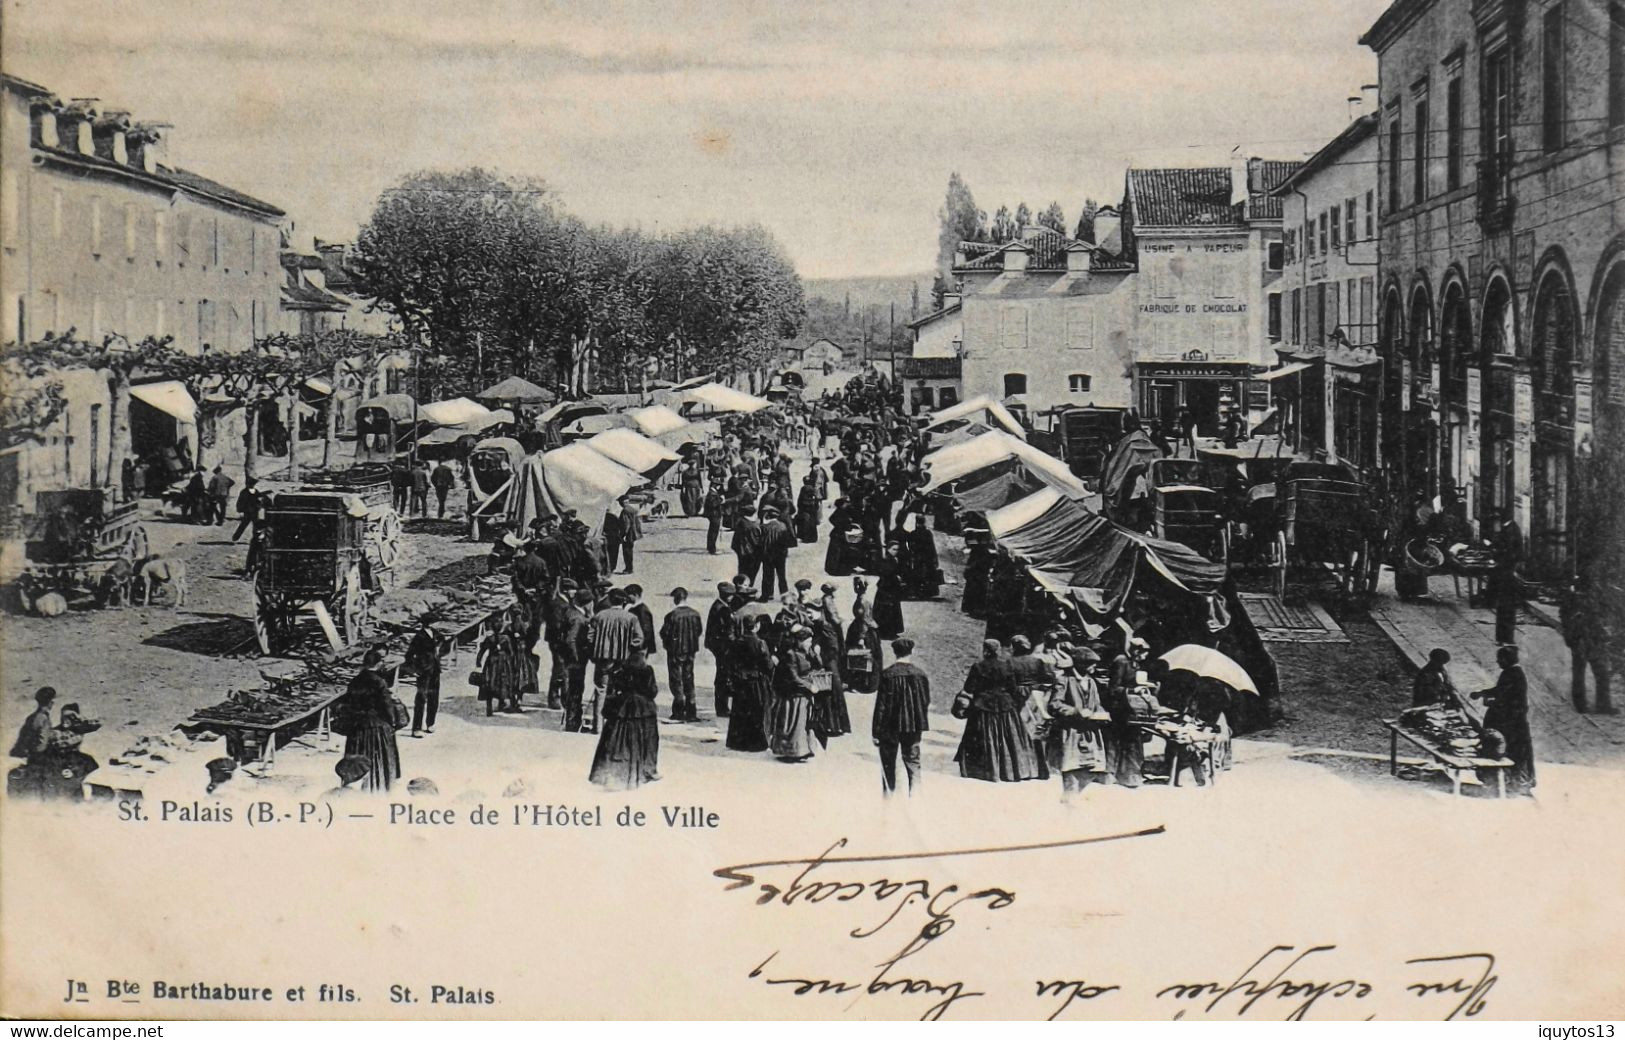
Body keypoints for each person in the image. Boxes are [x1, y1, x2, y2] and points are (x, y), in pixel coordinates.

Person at [952, 639, 1045, 782]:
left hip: (983, 705)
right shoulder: (1007, 665)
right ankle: (1010, 771)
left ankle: (983, 770)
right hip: (1005, 705)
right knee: (1010, 739)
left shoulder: (978, 667)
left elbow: (970, 688)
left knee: (982, 737)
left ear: (986, 650)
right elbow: (1013, 688)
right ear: (998, 650)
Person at [589, 639, 662, 789]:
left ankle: (610, 771)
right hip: (643, 710)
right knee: (650, 737)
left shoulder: (619, 668)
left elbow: (613, 690)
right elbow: (652, 691)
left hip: (622, 707)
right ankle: (648, 768)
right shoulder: (647, 670)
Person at [1046, 645, 1109, 800]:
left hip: (1090, 732)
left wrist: (1101, 713)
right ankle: (1069, 798)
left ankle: (1074, 795)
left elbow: (1096, 703)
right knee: (1071, 767)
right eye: (1091, 663)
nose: (1094, 666)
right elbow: (1054, 705)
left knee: (1091, 768)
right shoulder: (1064, 679)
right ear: (1081, 664)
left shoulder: (1091, 682)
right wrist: (1075, 711)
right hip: (1070, 732)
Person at [1474, 644, 1535, 795]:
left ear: (1506, 659)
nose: (1498, 662)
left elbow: (1504, 696)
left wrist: (1489, 700)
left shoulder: (1512, 673)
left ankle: (1514, 782)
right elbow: (1501, 691)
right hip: (1514, 720)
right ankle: (1516, 781)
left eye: (1500, 659)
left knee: (1512, 750)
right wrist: (1483, 693)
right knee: (1516, 750)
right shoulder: (1512, 672)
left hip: (1512, 721)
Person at [873, 638, 930, 795]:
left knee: (888, 761)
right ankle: (915, 791)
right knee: (913, 759)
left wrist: (876, 732)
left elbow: (881, 706)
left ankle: (889, 793)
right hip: (913, 724)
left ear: (894, 652)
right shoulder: (921, 674)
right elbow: (926, 701)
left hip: (890, 725)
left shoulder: (887, 674)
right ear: (912, 652)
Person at [341, 650, 402, 793]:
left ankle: (357, 787)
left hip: (358, 727)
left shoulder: (354, 681)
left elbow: (348, 705)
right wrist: (392, 722)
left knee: (357, 761)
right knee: (379, 760)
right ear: (379, 663)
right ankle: (379, 787)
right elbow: (386, 706)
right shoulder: (379, 682)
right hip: (377, 728)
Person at [587, 589, 642, 731]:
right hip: (622, 660)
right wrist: (628, 649)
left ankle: (598, 726)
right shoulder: (631, 618)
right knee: (619, 691)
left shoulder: (599, 616)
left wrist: (596, 650)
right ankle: (616, 726)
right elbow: (639, 639)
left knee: (601, 690)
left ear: (610, 600)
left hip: (602, 659)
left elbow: (590, 637)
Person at [1561, 577, 1615, 715]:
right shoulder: (1572, 598)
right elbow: (1564, 617)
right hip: (1581, 639)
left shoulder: (1594, 596)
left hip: (1594, 639)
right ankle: (1583, 705)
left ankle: (1601, 705)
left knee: (1599, 672)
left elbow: (1603, 615)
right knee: (1582, 672)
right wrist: (1570, 635)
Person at [769, 624, 819, 761]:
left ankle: (803, 749)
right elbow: (793, 677)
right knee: (795, 724)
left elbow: (818, 665)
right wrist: (809, 686)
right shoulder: (790, 655)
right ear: (800, 641)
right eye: (808, 641)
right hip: (793, 694)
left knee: (803, 723)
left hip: (803, 693)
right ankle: (793, 751)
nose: (810, 644)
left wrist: (815, 653)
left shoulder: (805, 653)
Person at [729, 616, 775, 752]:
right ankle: (757, 742)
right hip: (757, 681)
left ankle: (738, 742)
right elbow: (768, 665)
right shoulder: (760, 643)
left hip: (741, 681)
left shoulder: (737, 642)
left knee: (741, 710)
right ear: (757, 626)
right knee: (758, 711)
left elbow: (731, 662)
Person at [660, 587, 704, 722]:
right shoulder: (695, 614)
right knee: (689, 679)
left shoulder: (671, 615)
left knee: (676, 681)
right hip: (690, 651)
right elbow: (699, 631)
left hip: (675, 652)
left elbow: (664, 633)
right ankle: (691, 711)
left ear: (675, 599)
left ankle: (678, 711)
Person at [476, 613, 526, 716]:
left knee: (491, 682)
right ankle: (509, 703)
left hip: (492, 663)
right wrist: (514, 662)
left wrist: (478, 662)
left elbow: (482, 651)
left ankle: (490, 707)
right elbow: (511, 652)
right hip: (504, 663)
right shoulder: (506, 638)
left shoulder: (489, 639)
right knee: (506, 682)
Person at [1488, 510, 1525, 646]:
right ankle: (1502, 638)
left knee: (1507, 607)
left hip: (1508, 574)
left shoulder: (1510, 531)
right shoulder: (1509, 528)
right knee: (1503, 607)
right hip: (1505, 573)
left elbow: (1509, 552)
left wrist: (1495, 551)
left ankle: (1507, 638)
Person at [559, 590, 594, 732]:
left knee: (572, 690)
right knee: (575, 691)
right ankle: (573, 723)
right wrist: (577, 657)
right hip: (575, 661)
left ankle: (574, 721)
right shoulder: (578, 618)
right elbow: (570, 640)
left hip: (568, 660)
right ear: (587, 603)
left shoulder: (570, 612)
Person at [406, 615, 443, 737]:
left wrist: (438, 649)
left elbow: (443, 641)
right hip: (423, 669)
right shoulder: (419, 637)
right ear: (430, 624)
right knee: (421, 697)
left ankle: (430, 723)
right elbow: (409, 654)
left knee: (434, 696)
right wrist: (413, 669)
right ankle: (416, 728)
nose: (439, 624)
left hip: (435, 669)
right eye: (436, 622)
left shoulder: (436, 634)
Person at [705, 582, 737, 718]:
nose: (732, 597)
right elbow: (728, 633)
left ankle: (722, 706)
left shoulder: (717, 606)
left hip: (718, 648)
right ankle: (722, 707)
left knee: (722, 677)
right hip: (723, 649)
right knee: (723, 678)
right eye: (730, 595)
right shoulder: (723, 609)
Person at [845, 586, 883, 694]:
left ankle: (868, 684)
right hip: (861, 630)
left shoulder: (863, 601)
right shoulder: (860, 599)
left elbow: (864, 620)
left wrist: (861, 637)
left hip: (864, 633)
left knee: (861, 657)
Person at [759, 506, 795, 600]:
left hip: (767, 555)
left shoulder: (764, 527)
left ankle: (767, 595)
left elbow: (761, 541)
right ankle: (784, 594)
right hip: (780, 555)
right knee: (782, 575)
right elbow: (787, 541)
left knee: (767, 575)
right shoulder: (783, 526)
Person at [873, 541, 906, 640]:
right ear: (888, 549)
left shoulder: (893, 560)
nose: (896, 551)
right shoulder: (886, 560)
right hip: (886, 589)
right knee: (887, 611)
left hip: (891, 589)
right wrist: (896, 578)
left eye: (897, 549)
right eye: (894, 549)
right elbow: (887, 574)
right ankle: (886, 633)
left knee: (891, 611)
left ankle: (891, 631)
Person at [732, 504, 764, 588]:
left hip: (742, 551)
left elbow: (736, 539)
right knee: (752, 571)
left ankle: (741, 586)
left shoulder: (741, 522)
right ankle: (748, 586)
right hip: (754, 551)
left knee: (743, 569)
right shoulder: (756, 523)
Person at [625, 584, 657, 659]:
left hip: (639, 648)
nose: (626, 598)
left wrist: (641, 647)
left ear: (635, 595)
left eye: (628, 595)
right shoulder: (635, 609)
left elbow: (646, 631)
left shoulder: (642, 610)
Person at [796, 473, 822, 544]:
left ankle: (806, 538)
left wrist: (799, 508)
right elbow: (817, 500)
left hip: (804, 508)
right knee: (812, 523)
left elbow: (800, 499)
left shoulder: (803, 488)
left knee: (805, 523)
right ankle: (813, 538)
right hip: (812, 508)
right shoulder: (813, 489)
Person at [703, 484, 724, 555]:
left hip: (713, 515)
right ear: (715, 486)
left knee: (712, 531)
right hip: (714, 515)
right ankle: (712, 549)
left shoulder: (712, 493)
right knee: (714, 532)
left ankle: (710, 547)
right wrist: (721, 500)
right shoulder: (712, 494)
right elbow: (713, 504)